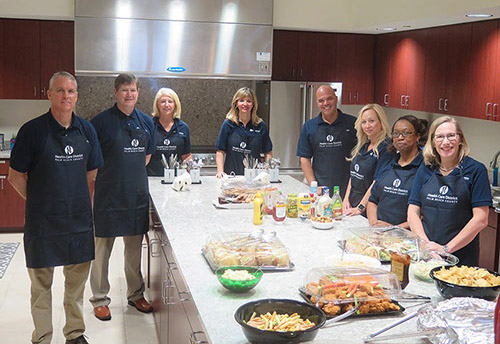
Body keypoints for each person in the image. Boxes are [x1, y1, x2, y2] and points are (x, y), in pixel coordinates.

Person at [8, 71, 103, 344]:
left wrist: (68, 199)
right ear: (48, 94)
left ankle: (74, 333)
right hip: (42, 223)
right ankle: (43, 336)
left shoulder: (86, 130)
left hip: (78, 222)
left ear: (77, 96)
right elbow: (16, 177)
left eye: (71, 91)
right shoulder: (32, 131)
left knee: (76, 285)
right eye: (59, 91)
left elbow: (91, 172)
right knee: (41, 287)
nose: (65, 96)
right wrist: (42, 201)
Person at [89, 73, 155, 321]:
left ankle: (135, 295)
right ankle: (99, 299)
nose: (129, 94)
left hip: (136, 196)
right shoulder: (101, 123)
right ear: (116, 92)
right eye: (125, 90)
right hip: (108, 197)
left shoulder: (147, 122)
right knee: (101, 251)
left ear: (138, 93)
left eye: (133, 90)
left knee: (133, 251)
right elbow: (91, 161)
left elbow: (146, 157)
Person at [408, 116, 491, 266]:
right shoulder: (426, 168)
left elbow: (481, 219)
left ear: (460, 139)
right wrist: (427, 246)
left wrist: (446, 249)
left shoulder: (476, 170)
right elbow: (412, 211)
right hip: (427, 254)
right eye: (439, 137)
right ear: (433, 142)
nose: (445, 142)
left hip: (460, 257)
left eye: (451, 135)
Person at [367, 115, 427, 228]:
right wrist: (374, 224)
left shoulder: (426, 168)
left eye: (406, 133)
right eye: (396, 133)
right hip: (379, 234)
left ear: (417, 137)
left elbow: (425, 214)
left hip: (407, 237)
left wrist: (394, 229)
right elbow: (372, 201)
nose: (400, 137)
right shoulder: (387, 164)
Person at [297, 85, 356, 197]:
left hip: (348, 190)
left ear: (336, 98)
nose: (325, 103)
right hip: (321, 189)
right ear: (317, 103)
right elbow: (304, 158)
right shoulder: (309, 127)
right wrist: (313, 185)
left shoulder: (353, 124)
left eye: (329, 98)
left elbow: (360, 157)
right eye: (321, 100)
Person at [343, 104, 392, 215]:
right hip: (352, 205)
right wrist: (346, 199)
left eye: (371, 121)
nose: (367, 125)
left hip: (368, 209)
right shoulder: (363, 145)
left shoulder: (386, 148)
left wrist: (360, 207)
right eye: (364, 122)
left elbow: (377, 182)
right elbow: (354, 174)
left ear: (381, 122)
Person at [215, 87, 272, 177]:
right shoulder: (228, 124)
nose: (245, 104)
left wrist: (267, 170)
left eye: (249, 101)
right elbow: (220, 151)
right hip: (231, 177)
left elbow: (268, 152)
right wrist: (220, 171)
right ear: (236, 103)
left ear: (253, 104)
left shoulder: (260, 125)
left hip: (254, 178)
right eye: (241, 100)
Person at [146, 87, 192, 176]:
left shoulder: (183, 128)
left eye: (170, 101)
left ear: (175, 105)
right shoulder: (149, 126)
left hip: (176, 178)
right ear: (157, 105)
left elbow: (186, 155)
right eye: (163, 101)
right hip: (152, 177)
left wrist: (187, 173)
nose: (167, 105)